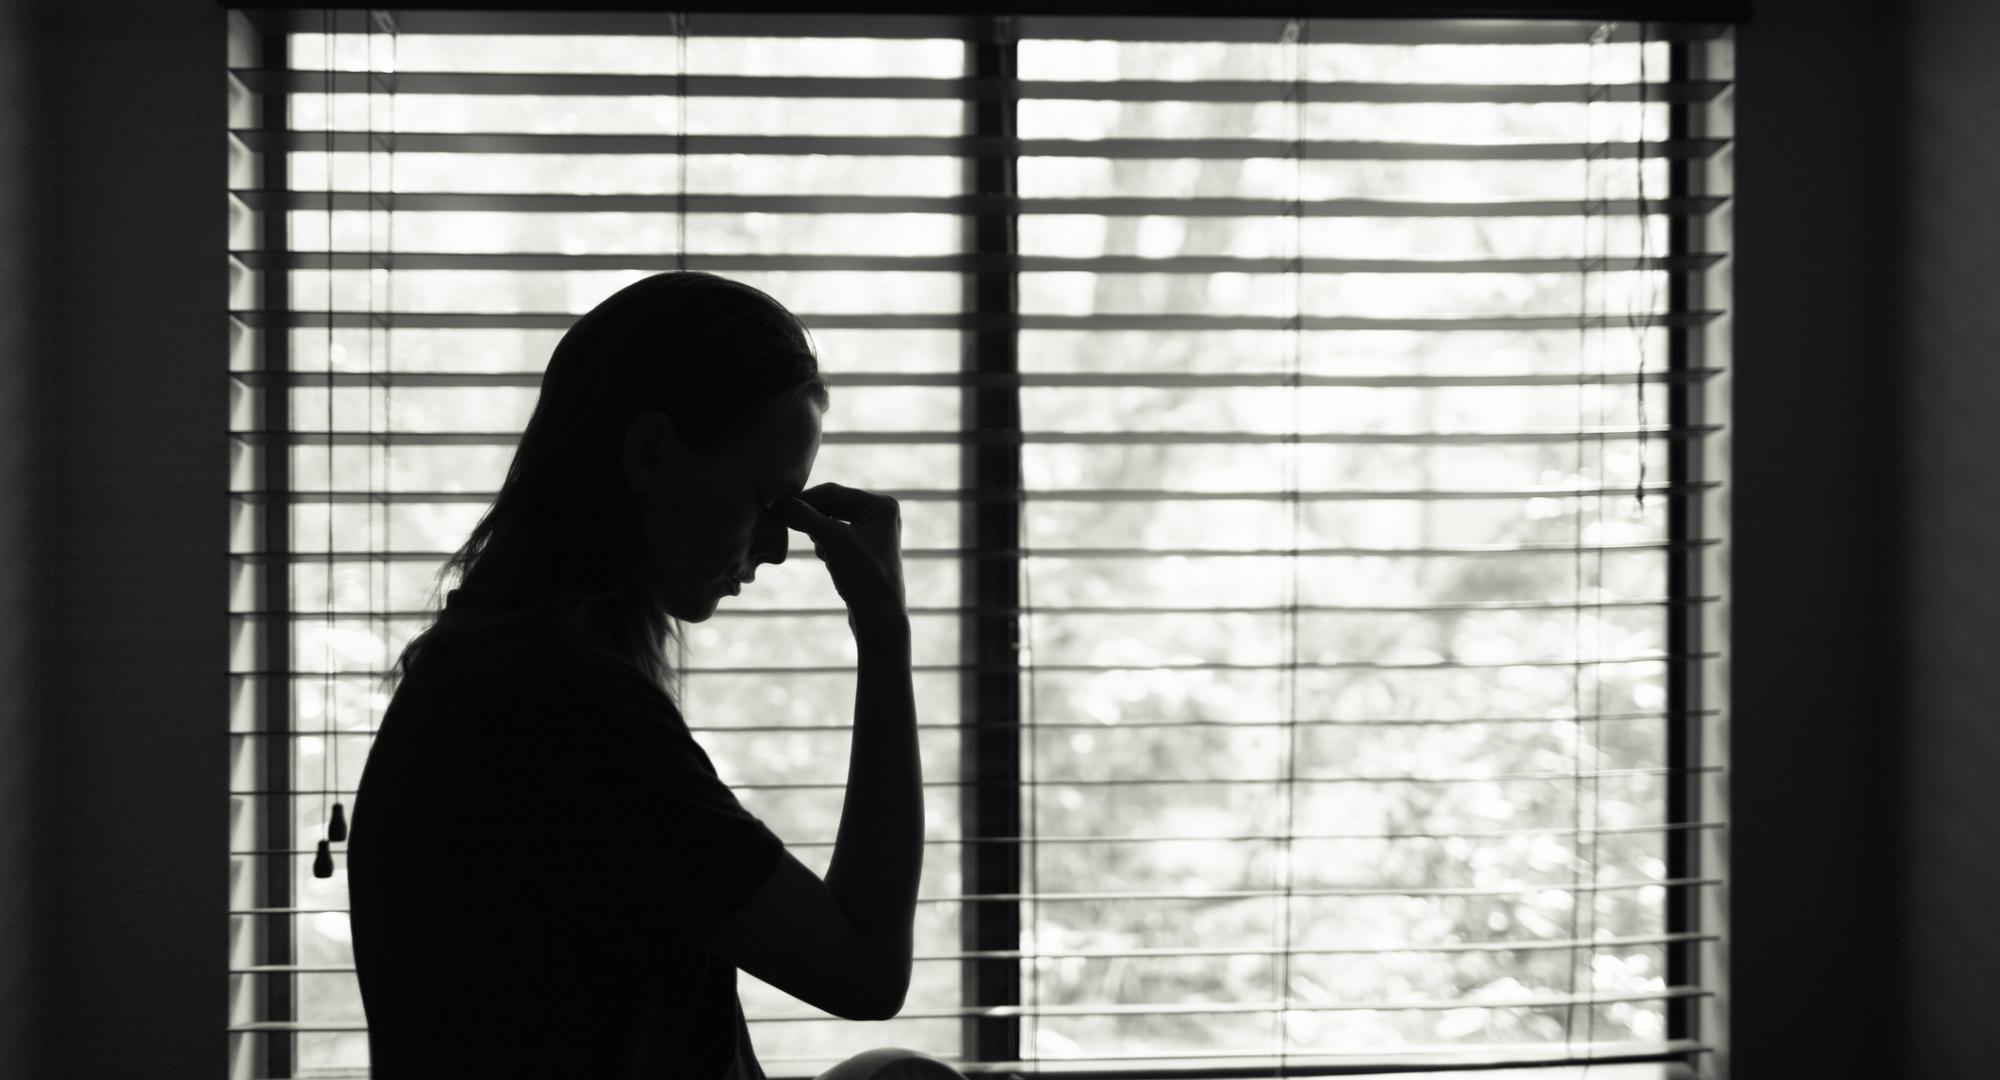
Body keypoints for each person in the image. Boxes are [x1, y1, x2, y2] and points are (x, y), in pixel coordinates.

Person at [345, 271, 960, 1080]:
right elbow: (865, 971)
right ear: (651, 454)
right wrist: (884, 638)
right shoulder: (565, 711)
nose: (778, 547)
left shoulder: (496, 665)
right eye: (765, 495)